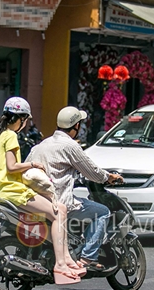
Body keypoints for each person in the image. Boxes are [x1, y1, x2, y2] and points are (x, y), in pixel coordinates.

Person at [0, 97, 84, 285]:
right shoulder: (10, 135)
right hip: (14, 191)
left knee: (58, 212)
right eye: (26, 120)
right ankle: (61, 265)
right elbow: (11, 166)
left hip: (2, 190)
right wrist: (33, 164)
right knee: (59, 212)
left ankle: (66, 259)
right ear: (21, 118)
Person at [26, 106, 123, 270]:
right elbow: (92, 171)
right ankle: (88, 258)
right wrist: (109, 177)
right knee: (102, 212)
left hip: (36, 200)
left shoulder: (41, 145)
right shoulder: (70, 146)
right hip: (60, 201)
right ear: (76, 126)